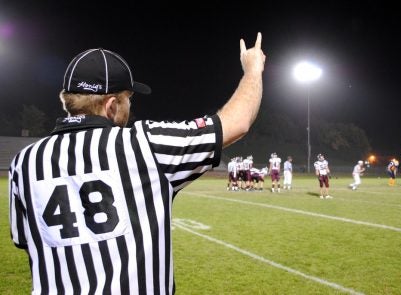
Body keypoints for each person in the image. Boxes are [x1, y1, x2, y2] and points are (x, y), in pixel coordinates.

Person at [8, 33, 265, 294]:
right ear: (111, 106)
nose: (130, 106)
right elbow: (237, 123)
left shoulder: (24, 162)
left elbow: (24, 239)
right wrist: (253, 69)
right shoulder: (143, 144)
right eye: (128, 98)